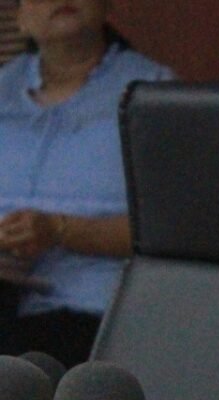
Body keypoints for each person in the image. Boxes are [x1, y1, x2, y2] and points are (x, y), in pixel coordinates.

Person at [0, 0, 173, 367]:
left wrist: (61, 230)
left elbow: (174, 230)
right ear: (20, 18)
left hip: (96, 314)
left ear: (106, 5)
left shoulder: (152, 93)